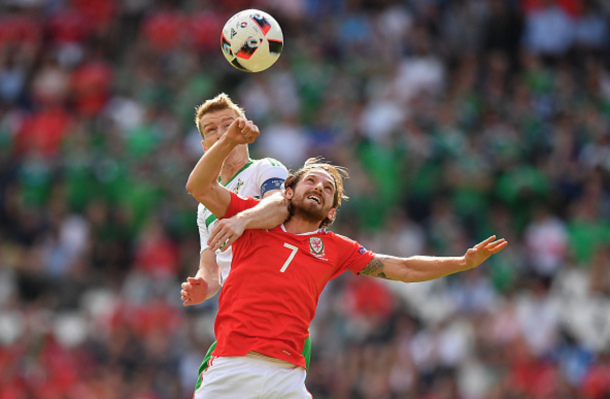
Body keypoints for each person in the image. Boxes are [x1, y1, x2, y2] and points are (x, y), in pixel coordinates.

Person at [183, 115, 508, 398]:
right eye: (310, 180)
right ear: (289, 190)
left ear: (332, 212)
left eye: (327, 189)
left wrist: (462, 263)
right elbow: (198, 186)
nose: (319, 188)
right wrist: (227, 140)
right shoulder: (254, 219)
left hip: (288, 374)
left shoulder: (337, 248)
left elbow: (403, 268)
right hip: (234, 363)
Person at [181, 93, 311, 393]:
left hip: (280, 313)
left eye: (229, 124)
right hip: (239, 315)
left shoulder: (266, 168)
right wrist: (203, 285)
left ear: (244, 132)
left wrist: (241, 220)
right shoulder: (205, 208)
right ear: (204, 146)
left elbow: (280, 207)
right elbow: (210, 267)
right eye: (211, 129)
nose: (222, 133)